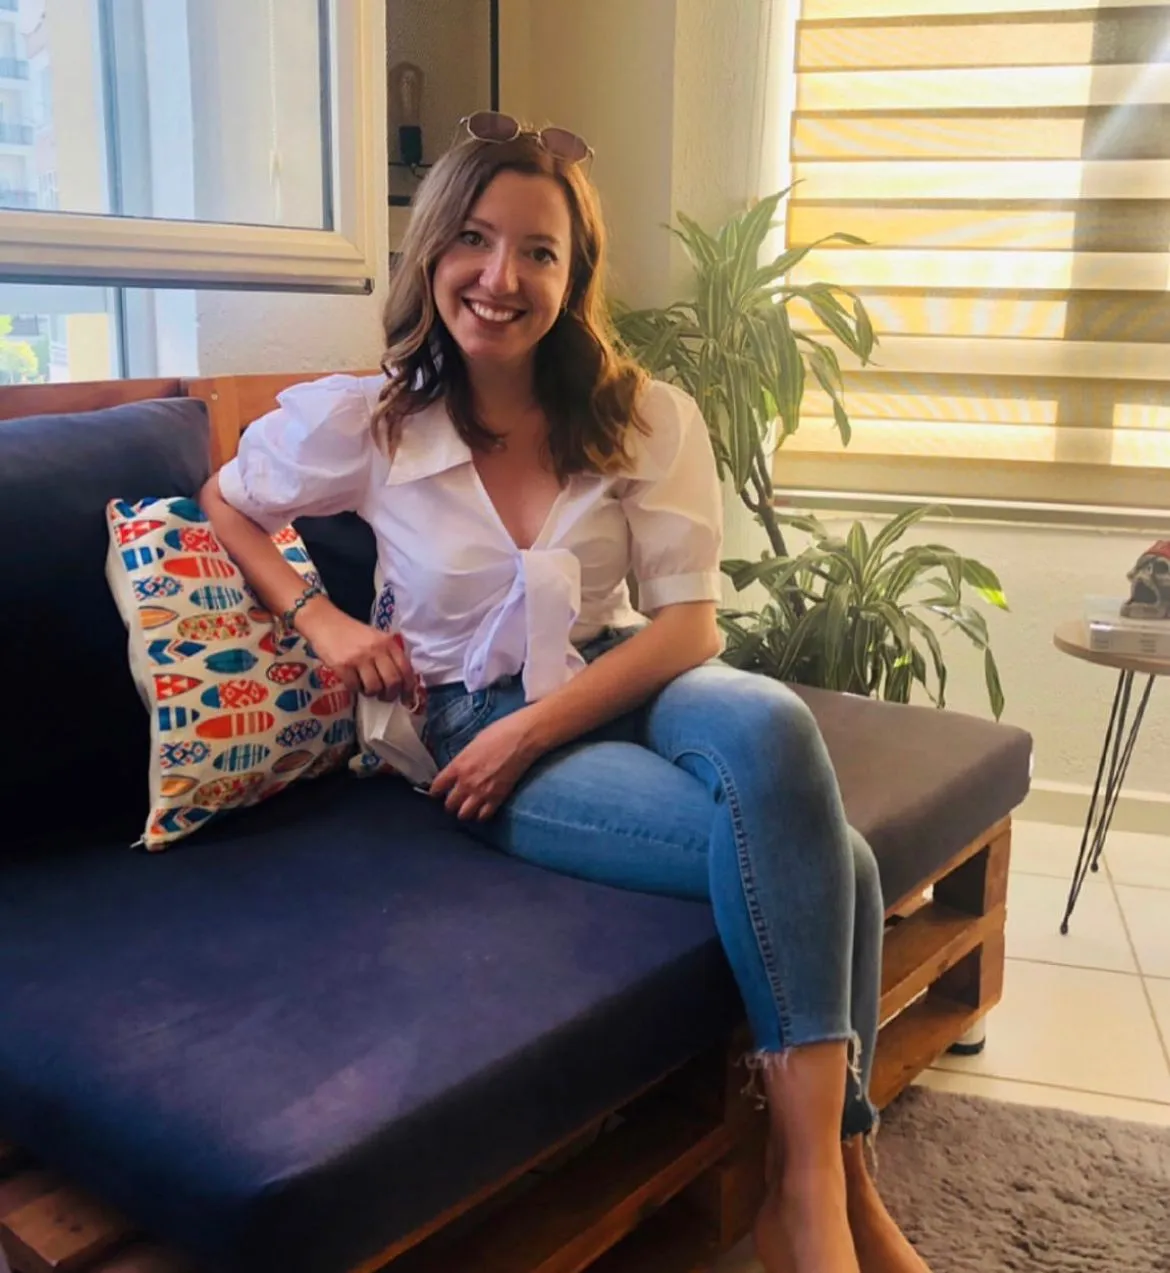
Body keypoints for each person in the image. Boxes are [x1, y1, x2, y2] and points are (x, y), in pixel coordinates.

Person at [200, 112, 930, 1273]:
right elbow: (228, 500)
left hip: (620, 673)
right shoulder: (372, 423)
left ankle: (808, 1195)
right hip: (470, 719)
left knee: (774, 720)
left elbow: (690, 626)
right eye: (475, 240)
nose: (501, 277)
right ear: (433, 252)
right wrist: (320, 618)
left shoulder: (641, 414)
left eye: (538, 251)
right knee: (828, 857)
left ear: (573, 275)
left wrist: (539, 726)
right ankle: (833, 1186)